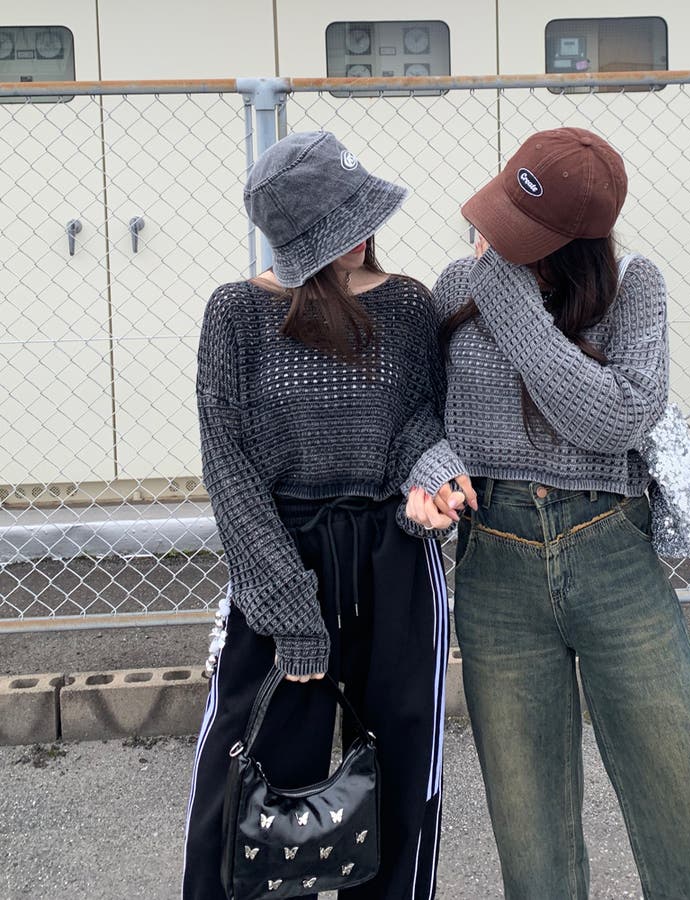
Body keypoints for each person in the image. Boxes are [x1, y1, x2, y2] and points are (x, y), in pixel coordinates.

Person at [406, 127, 690, 899]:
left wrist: (511, 303)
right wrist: (432, 467)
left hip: (611, 554)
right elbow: (419, 416)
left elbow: (615, 419)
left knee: (684, 789)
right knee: (529, 821)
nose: (497, 238)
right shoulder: (453, 285)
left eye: (524, 228)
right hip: (495, 559)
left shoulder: (635, 286)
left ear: (577, 238)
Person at [181, 130, 472, 900]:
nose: (364, 234)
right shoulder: (236, 314)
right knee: (247, 776)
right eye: (346, 222)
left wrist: (431, 478)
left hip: (394, 552)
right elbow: (229, 466)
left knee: (404, 769)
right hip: (282, 549)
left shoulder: (408, 304)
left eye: (363, 215)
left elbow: (418, 421)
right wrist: (286, 606)